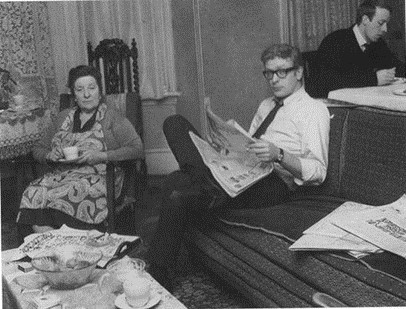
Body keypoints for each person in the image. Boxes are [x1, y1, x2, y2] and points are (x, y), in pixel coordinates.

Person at [144, 43, 330, 290]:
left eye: (281, 72)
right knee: (174, 123)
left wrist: (279, 154)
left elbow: (318, 171)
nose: (274, 80)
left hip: (274, 183)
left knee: (176, 184)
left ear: (299, 72)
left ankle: (157, 272)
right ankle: (210, 186)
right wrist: (225, 148)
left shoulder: (313, 110)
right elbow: (249, 147)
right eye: (268, 73)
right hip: (244, 171)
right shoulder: (266, 105)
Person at [16, 65, 143, 239]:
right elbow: (38, 148)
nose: (87, 94)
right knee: (33, 191)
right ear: (74, 95)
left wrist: (102, 156)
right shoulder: (62, 117)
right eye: (80, 89)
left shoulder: (112, 117)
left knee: (76, 190)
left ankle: (72, 245)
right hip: (61, 175)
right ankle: (55, 246)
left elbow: (137, 149)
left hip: (100, 177)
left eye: (92, 88)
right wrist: (48, 155)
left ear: (99, 91)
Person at [312, 0, 405, 98]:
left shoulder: (378, 43)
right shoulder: (335, 41)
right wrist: (374, 79)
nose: (385, 29)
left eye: (386, 24)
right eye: (380, 23)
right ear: (365, 19)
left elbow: (396, 66)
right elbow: (329, 80)